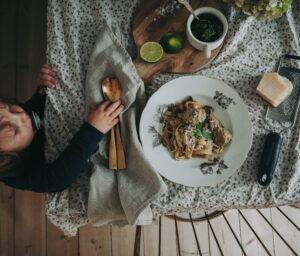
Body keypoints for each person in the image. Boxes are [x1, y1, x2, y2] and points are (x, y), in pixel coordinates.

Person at [0, 64, 124, 193]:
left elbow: (32, 109)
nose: (23, 116)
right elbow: (58, 179)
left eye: (12, 109)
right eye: (15, 130)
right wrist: (93, 130)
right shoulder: (17, 175)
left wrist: (42, 92)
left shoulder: (23, 118)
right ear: (5, 160)